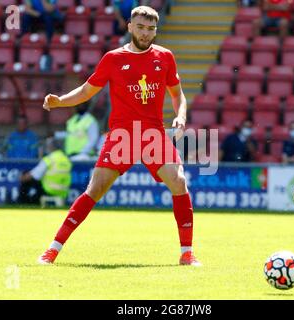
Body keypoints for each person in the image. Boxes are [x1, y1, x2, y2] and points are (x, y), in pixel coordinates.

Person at [38, 6, 201, 266]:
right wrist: (60, 102)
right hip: (122, 134)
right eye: (140, 27)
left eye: (150, 29)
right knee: (95, 189)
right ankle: (52, 250)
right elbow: (86, 91)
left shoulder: (165, 57)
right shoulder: (113, 59)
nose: (146, 33)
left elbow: (177, 94)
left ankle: (186, 253)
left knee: (179, 181)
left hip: (152, 134)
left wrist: (180, 115)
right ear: (129, 26)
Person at [18, 137, 72, 204]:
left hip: (49, 190)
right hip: (63, 192)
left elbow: (34, 175)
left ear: (51, 147)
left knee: (26, 179)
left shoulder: (50, 159)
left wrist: (22, 178)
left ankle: (22, 203)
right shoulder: (66, 159)